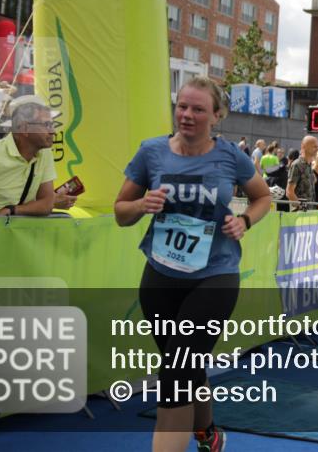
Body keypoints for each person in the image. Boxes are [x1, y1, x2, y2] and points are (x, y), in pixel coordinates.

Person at [113, 76, 272, 452]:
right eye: (182, 106)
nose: (186, 114)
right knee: (184, 363)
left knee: (176, 369)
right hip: (161, 275)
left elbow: (263, 197)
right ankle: (207, 434)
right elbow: (120, 212)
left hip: (214, 275)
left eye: (198, 109)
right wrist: (142, 205)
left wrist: (245, 221)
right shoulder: (151, 152)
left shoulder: (230, 156)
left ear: (216, 116)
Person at [287, 135, 318, 211]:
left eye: (317, 146)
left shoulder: (309, 164)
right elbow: (289, 192)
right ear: (304, 146)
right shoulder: (297, 164)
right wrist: (301, 207)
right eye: (314, 146)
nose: (317, 149)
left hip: (310, 212)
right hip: (300, 213)